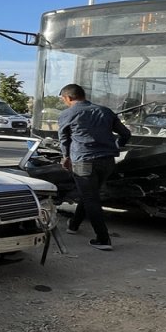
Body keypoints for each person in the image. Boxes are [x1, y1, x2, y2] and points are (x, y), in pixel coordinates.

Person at [56, 83, 131, 251]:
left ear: (69, 98)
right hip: (107, 161)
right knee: (89, 194)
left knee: (91, 198)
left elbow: (64, 140)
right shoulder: (105, 111)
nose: (64, 102)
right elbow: (126, 134)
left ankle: (103, 239)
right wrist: (115, 147)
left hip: (83, 161)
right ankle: (73, 225)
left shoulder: (67, 114)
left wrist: (66, 157)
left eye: (63, 99)